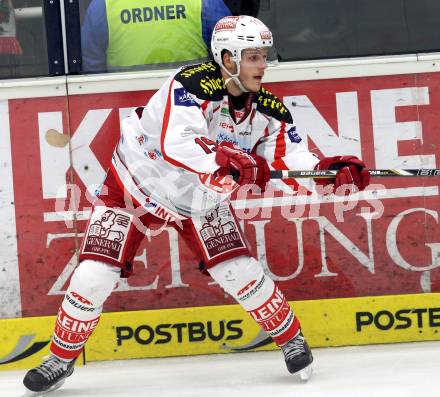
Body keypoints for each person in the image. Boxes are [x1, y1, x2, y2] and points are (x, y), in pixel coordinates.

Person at [22, 15, 370, 396]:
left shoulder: (269, 108)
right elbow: (179, 142)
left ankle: (291, 339)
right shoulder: (190, 84)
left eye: (264, 56)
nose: (263, 65)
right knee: (93, 275)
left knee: (238, 270)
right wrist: (227, 159)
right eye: (253, 56)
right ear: (227, 58)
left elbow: (290, 158)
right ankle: (60, 357)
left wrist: (325, 172)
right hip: (134, 187)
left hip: (200, 200)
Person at [81, 0, 232, 72]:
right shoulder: (204, 3)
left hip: (124, 102)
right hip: (193, 101)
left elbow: (91, 65)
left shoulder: (104, 5)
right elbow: (231, 52)